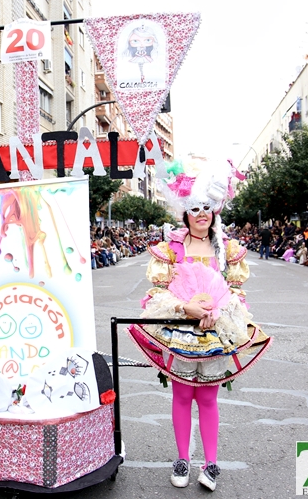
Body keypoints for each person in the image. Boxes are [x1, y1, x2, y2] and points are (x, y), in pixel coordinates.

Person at [127, 157, 271, 492]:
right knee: (180, 395)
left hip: (215, 332)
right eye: (195, 208)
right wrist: (185, 306)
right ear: (185, 213)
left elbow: (235, 292)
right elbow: (157, 294)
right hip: (180, 328)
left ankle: (210, 463)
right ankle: (182, 459)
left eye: (207, 207)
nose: (202, 213)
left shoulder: (228, 250)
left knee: (208, 399)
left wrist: (220, 311)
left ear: (215, 210)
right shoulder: (170, 250)